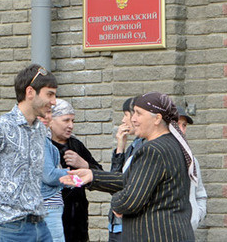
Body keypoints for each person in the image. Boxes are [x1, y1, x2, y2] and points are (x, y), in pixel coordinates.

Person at [60, 92, 195, 242]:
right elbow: (134, 179)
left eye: (138, 113)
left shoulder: (153, 150)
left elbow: (130, 200)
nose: (133, 119)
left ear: (157, 118)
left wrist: (117, 205)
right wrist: (93, 176)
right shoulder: (171, 144)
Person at [0, 64, 57, 241]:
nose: (54, 101)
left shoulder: (40, 130)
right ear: (30, 92)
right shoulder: (2, 127)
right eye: (50, 94)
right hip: (9, 227)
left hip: (40, 224)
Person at [49, 99, 103, 242]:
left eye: (73, 121)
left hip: (78, 215)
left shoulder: (76, 145)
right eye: (66, 120)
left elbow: (100, 174)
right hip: (53, 215)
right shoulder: (43, 146)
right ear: (51, 120)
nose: (70, 126)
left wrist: (84, 164)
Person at [107, 97, 144, 242]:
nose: (123, 120)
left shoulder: (145, 147)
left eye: (125, 115)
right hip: (117, 224)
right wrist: (120, 147)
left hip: (131, 226)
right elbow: (114, 182)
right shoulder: (133, 146)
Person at [176, 106, 207, 231]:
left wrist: (196, 217)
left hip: (187, 231)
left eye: (184, 125)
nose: (182, 130)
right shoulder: (155, 154)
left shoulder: (192, 161)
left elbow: (200, 194)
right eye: (177, 124)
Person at [39, 109, 68, 242]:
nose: (46, 116)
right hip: (49, 206)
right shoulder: (41, 140)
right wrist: (71, 174)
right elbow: (49, 175)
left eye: (49, 112)